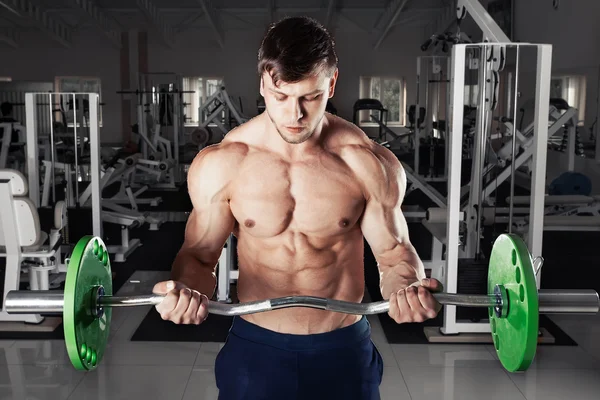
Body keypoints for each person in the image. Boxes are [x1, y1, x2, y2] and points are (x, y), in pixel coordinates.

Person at [153, 16, 443, 399]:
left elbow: (392, 255)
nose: (295, 115)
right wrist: (185, 292)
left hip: (342, 348)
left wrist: (407, 289)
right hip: (257, 346)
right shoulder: (225, 163)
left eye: (310, 97)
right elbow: (199, 257)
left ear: (332, 84)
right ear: (263, 83)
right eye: (281, 96)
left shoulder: (366, 163)